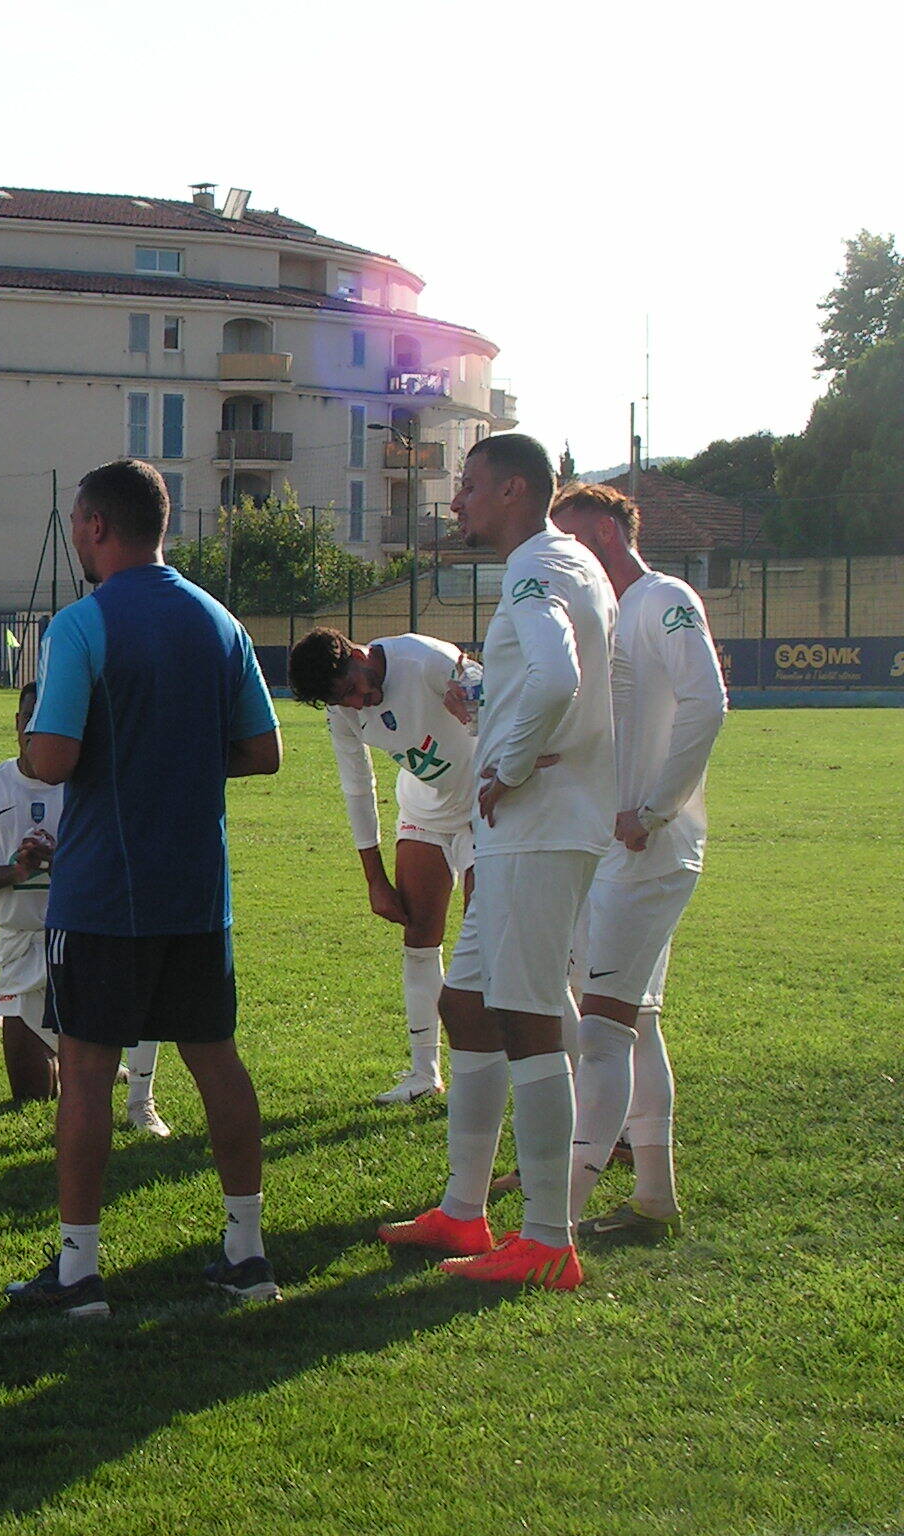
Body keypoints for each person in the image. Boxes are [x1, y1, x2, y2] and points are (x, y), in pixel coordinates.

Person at [4, 459, 283, 1318]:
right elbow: (263, 751)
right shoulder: (218, 619)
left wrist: (25, 748)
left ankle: (80, 1273)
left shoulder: (83, 624)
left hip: (104, 895)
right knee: (217, 1061)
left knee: (85, 1072)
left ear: (94, 526)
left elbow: (50, 761)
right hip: (198, 890)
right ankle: (248, 1253)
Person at [378, 433, 616, 1291]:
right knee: (466, 1002)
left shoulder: (533, 567)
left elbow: (554, 679)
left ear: (516, 490)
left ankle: (549, 1240)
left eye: (470, 486)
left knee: (524, 1016)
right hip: (539, 824)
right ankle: (465, 1209)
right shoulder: (569, 561)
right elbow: (559, 680)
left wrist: (508, 762)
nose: (458, 502)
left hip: (539, 823)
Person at [550, 481, 726, 1240]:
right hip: (620, 846)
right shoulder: (611, 618)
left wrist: (652, 809)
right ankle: (652, 1196)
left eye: (570, 540)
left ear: (605, 534)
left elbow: (708, 701)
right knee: (634, 1021)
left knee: (603, 1028)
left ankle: (559, 1216)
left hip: (648, 848)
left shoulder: (663, 598)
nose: (561, 559)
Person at [0, 680, 171, 1132]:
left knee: (131, 999)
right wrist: (11, 872)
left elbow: (129, 868)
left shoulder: (96, 783)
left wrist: (64, 859)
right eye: (29, 719)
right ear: (16, 724)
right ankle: (95, 1067)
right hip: (21, 948)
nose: (36, 730)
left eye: (49, 720)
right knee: (32, 1093)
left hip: (89, 940)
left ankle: (136, 1096)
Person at [286, 628, 481, 1105]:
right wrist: (375, 879)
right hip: (424, 812)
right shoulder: (342, 708)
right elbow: (358, 786)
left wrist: (476, 697)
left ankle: (483, 1069)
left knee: (485, 946)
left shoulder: (423, 657)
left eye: (355, 688)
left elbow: (487, 695)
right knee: (419, 938)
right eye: (343, 700)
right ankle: (423, 1072)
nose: (357, 702)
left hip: (486, 811)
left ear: (357, 655)